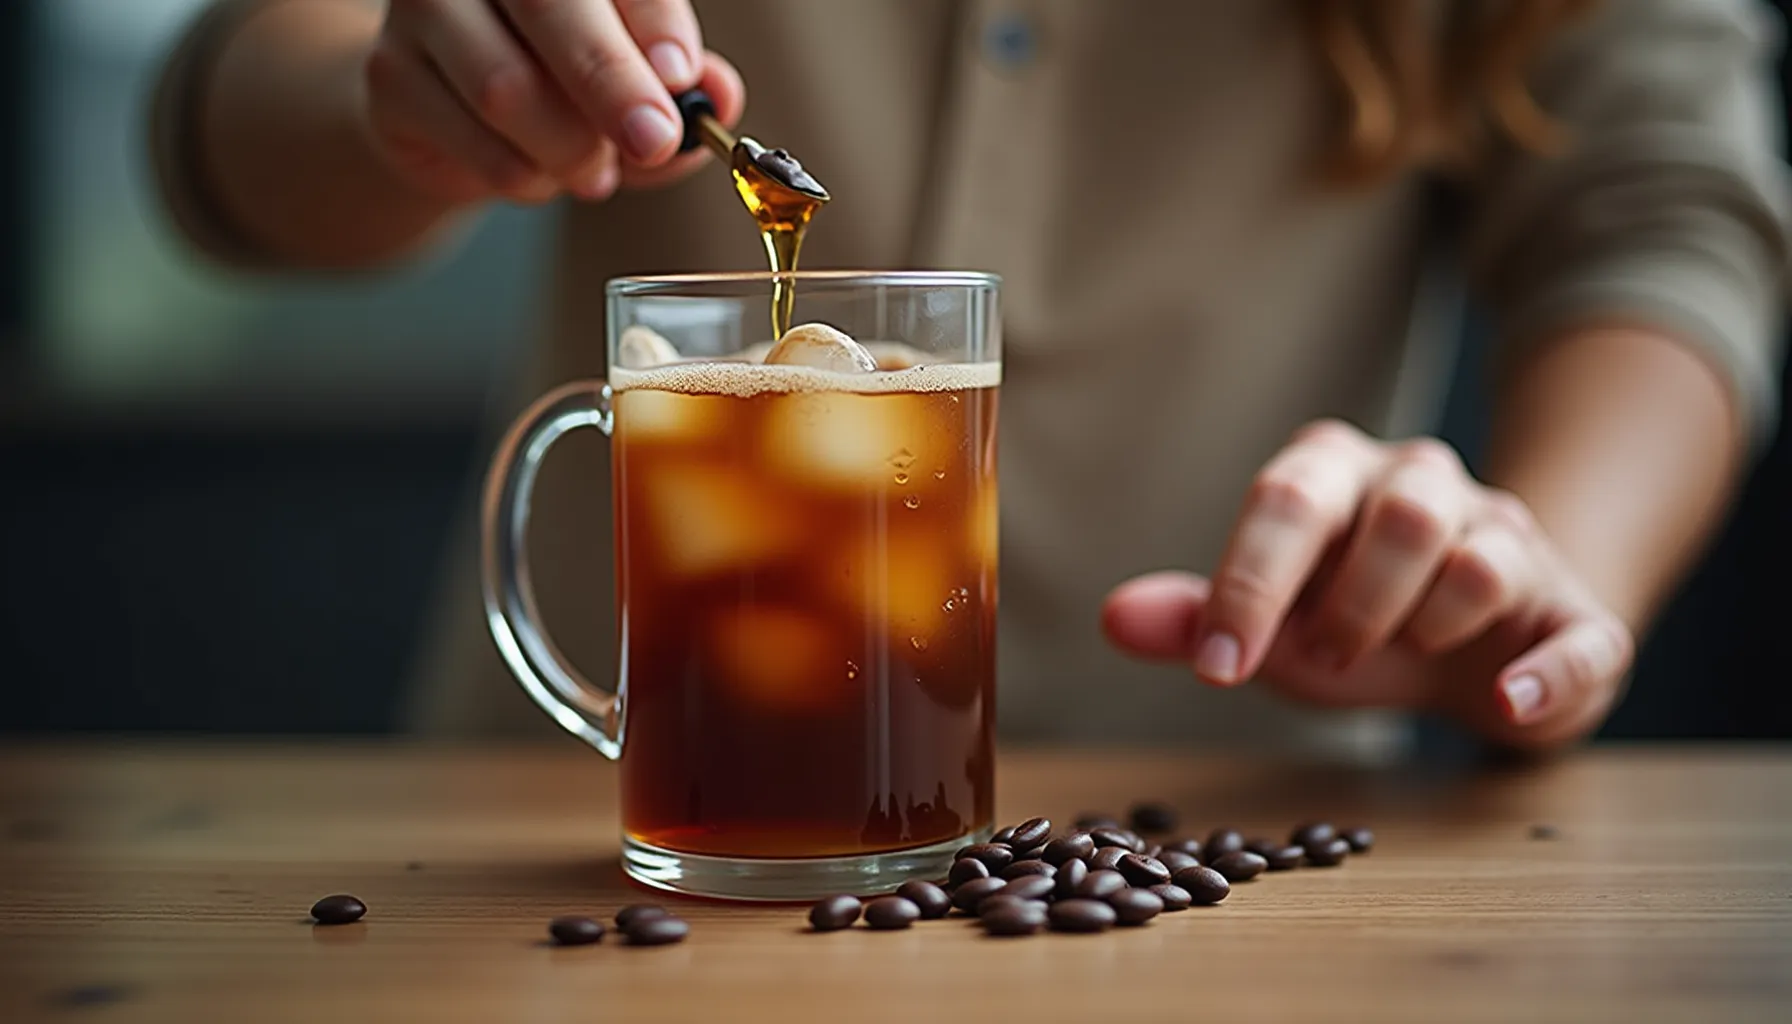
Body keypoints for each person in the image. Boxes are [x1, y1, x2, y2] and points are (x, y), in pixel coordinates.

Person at [149, 0, 1788, 757]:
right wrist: (403, 105)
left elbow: (1662, 214)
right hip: (577, 858)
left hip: (1226, 835)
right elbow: (231, 109)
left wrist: (1550, 562)